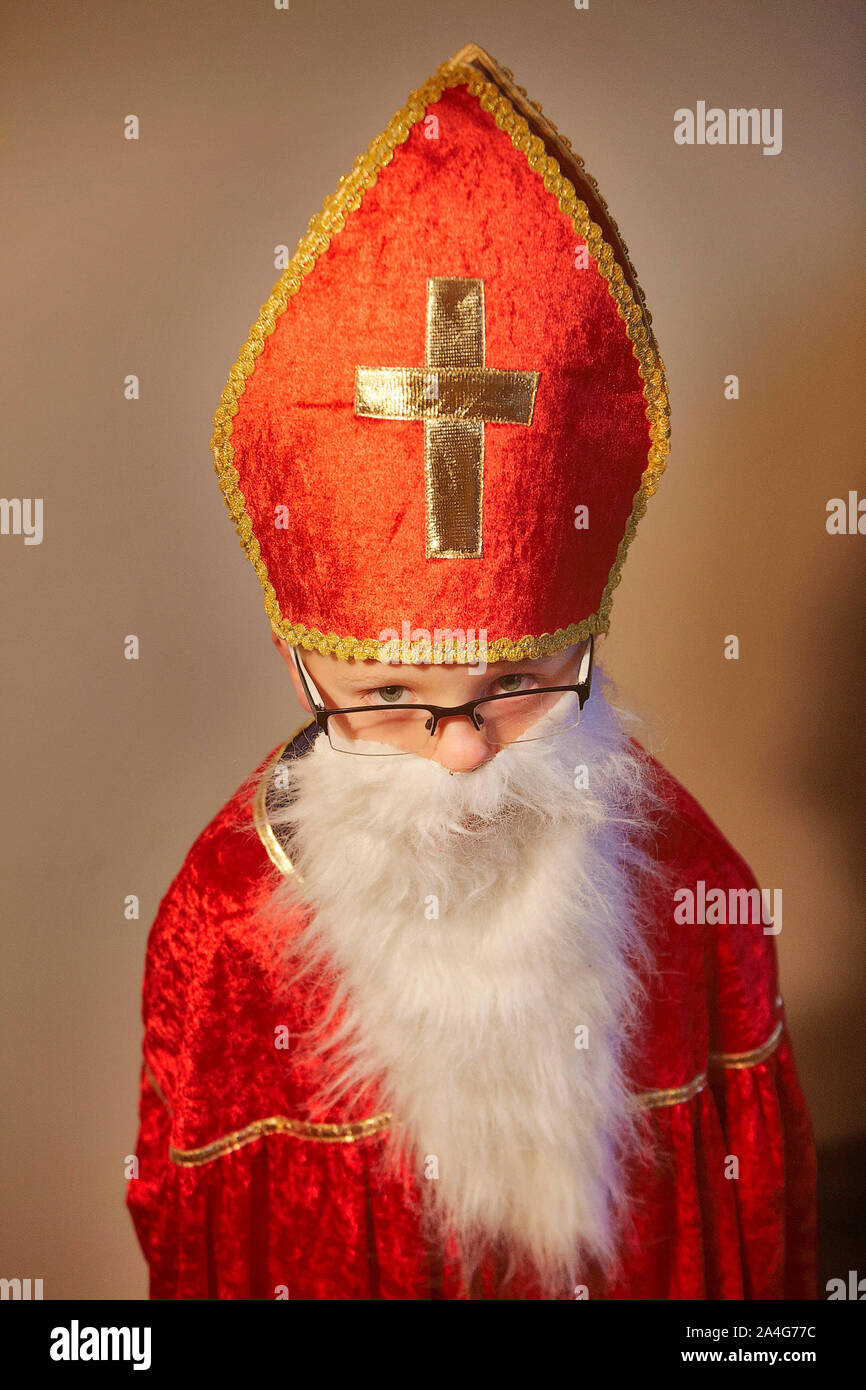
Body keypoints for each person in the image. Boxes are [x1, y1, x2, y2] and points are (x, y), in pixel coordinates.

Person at [126, 41, 817, 1300]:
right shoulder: (216, 936)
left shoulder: (694, 891)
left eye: (516, 687)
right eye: (390, 699)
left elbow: (746, 1242)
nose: (461, 751)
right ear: (300, 667)